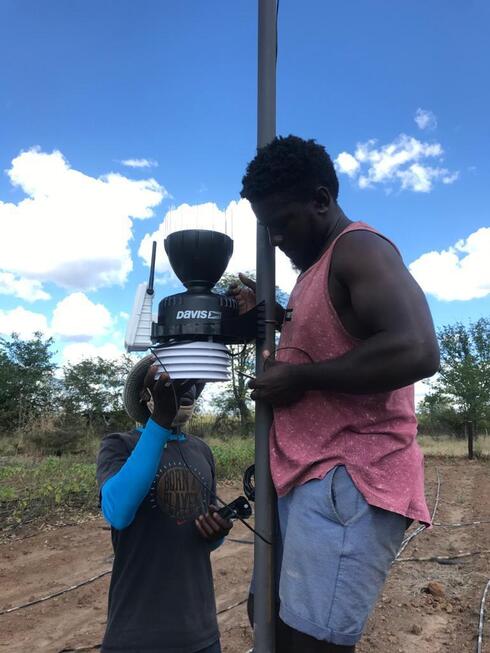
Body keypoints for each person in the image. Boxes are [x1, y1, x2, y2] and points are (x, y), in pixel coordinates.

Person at [232, 135, 440, 652]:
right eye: (267, 226)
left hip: (351, 474)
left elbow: (417, 349)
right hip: (306, 476)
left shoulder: (358, 249)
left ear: (321, 200)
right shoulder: (312, 272)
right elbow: (335, 337)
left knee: (312, 643)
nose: (275, 237)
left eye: (283, 222)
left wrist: (301, 378)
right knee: (271, 623)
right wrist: (274, 317)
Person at [96, 355, 233, 653]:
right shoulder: (119, 445)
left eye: (193, 383)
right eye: (171, 382)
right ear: (146, 395)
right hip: (137, 635)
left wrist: (216, 532)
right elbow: (118, 512)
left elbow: (200, 535)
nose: (187, 390)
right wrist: (159, 421)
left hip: (200, 631)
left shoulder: (202, 451)